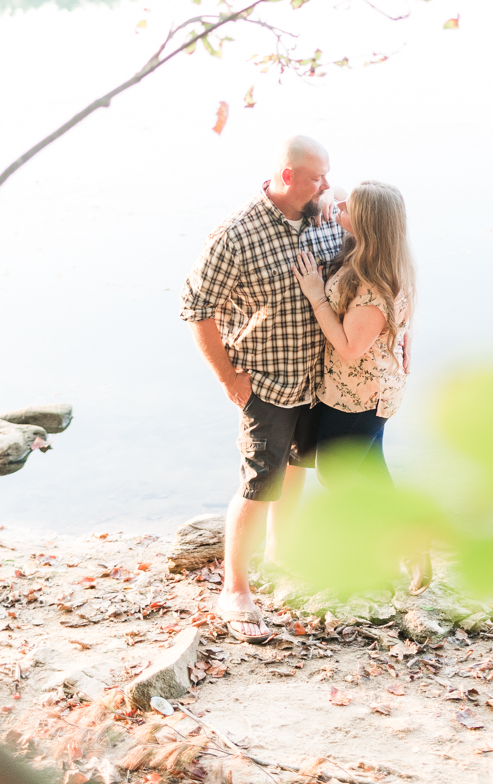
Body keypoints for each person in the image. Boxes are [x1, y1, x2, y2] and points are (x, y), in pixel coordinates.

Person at [180, 135, 344, 642]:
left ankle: (281, 553)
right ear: (289, 176)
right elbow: (195, 308)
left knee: (296, 467)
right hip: (266, 383)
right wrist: (229, 377)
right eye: (318, 177)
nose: (327, 185)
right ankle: (235, 588)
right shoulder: (235, 235)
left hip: (316, 379)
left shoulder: (321, 219)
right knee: (259, 482)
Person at [291, 180, 430, 592]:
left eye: (347, 207)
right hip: (354, 386)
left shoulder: (374, 287)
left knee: (336, 474)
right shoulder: (370, 255)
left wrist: (316, 294)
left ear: (367, 224)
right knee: (370, 468)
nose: (337, 208)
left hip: (362, 393)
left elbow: (351, 348)